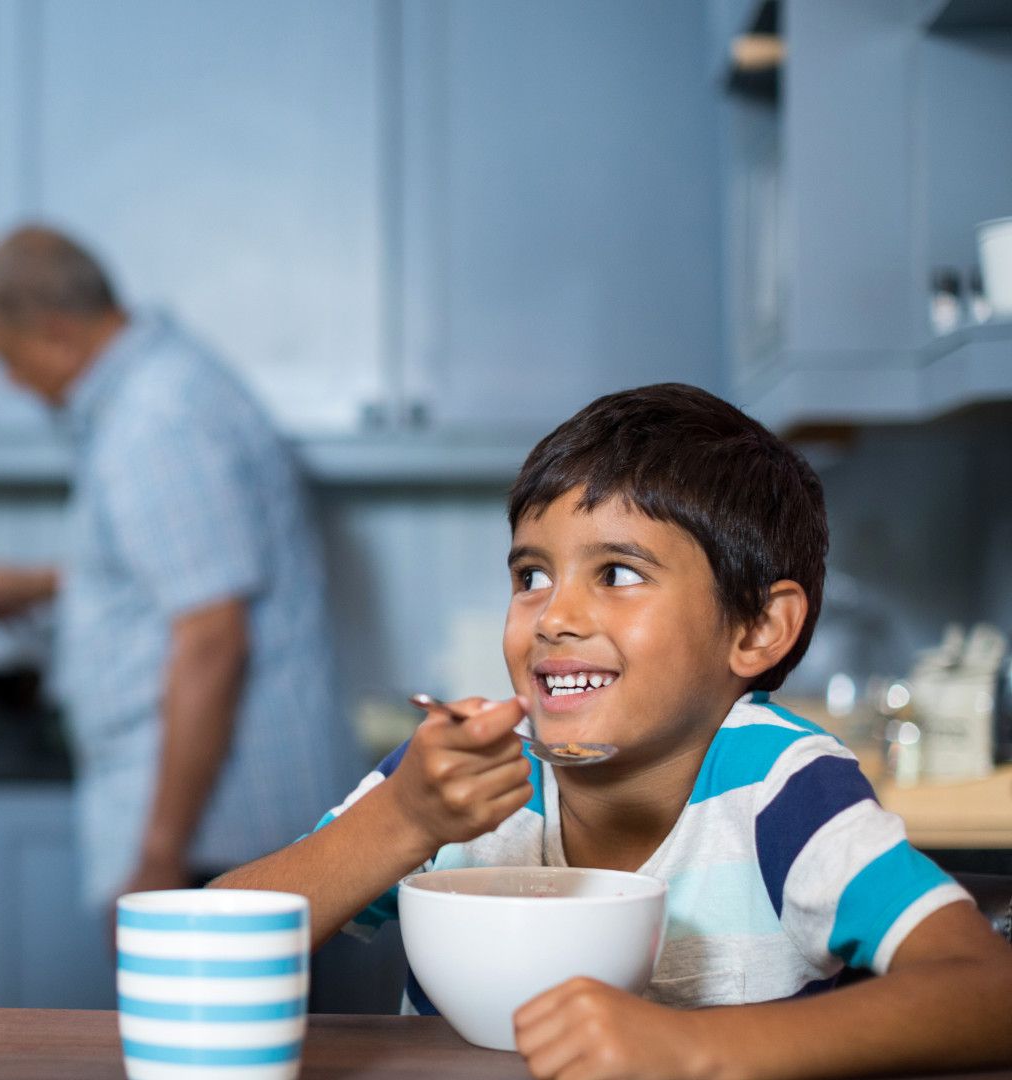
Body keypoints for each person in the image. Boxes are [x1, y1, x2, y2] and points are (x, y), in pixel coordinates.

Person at [214, 384, 1012, 1077]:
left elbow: (989, 991)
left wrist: (693, 1051)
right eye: (531, 576)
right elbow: (211, 949)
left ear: (759, 628)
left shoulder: (783, 789)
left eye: (619, 574)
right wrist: (405, 820)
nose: (554, 617)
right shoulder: (463, 777)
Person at [0, 226, 359, 910]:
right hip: (225, 826)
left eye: (8, 356)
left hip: (220, 835)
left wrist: (157, 855)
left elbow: (211, 637)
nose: (9, 379)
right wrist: (41, 583)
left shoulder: (156, 419)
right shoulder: (161, 391)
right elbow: (177, 570)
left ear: (55, 330)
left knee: (214, 1021)